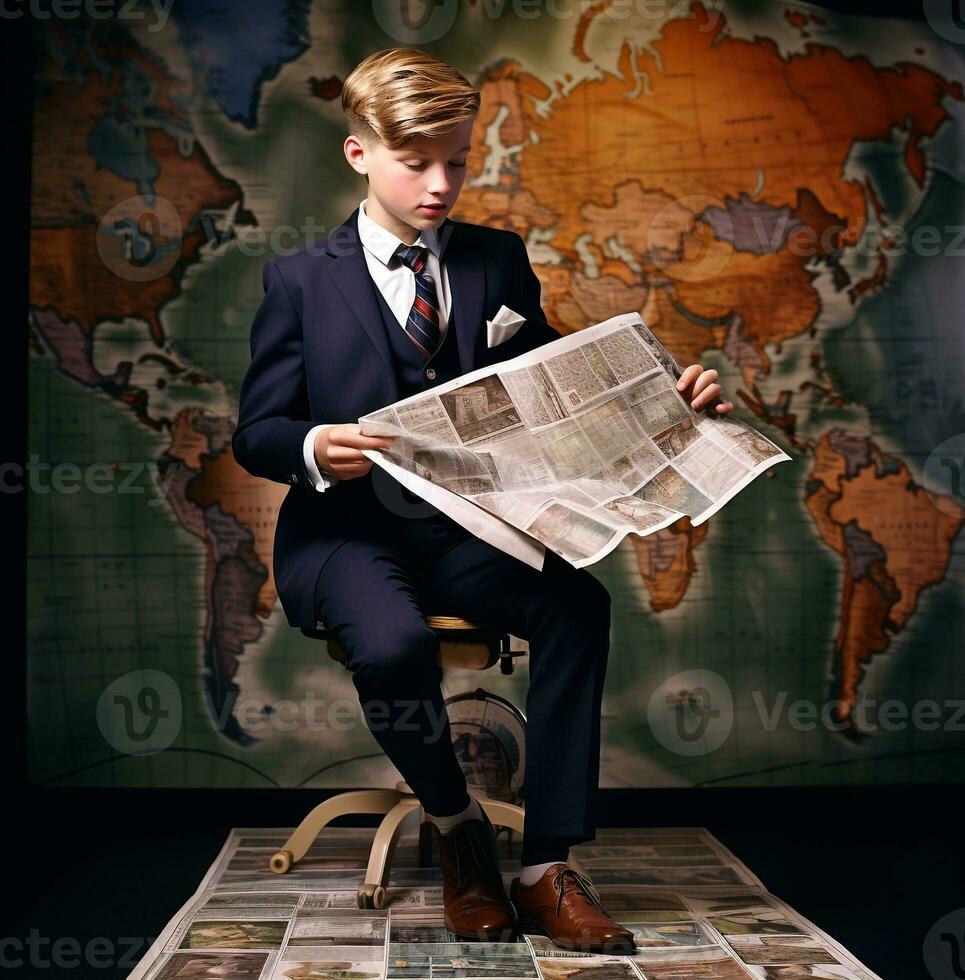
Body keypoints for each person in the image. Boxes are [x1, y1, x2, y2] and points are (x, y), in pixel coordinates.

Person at [231, 46, 733, 953]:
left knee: (577, 605)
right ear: (358, 154)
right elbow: (255, 432)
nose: (439, 184)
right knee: (392, 645)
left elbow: (557, 388)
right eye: (416, 162)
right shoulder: (300, 281)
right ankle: (458, 823)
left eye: (456, 161)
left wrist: (668, 406)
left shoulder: (497, 261)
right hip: (345, 537)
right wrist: (313, 444)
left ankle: (545, 866)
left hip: (465, 533)